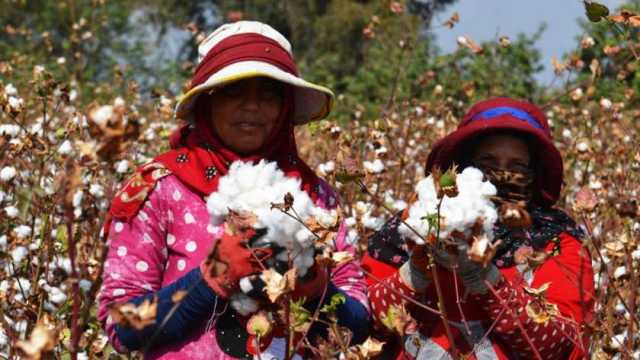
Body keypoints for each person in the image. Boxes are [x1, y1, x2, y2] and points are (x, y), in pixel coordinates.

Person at [97, 21, 369, 359]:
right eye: (233, 91)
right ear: (207, 104)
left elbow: (359, 325)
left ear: (284, 107)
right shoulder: (160, 189)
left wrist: (316, 290)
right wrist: (211, 279)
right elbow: (120, 325)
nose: (251, 106)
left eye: (268, 94)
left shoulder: (316, 197)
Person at [363, 97, 594, 359]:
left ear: (534, 174)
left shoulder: (555, 241)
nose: (501, 175)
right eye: (488, 162)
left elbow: (562, 346)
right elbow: (363, 326)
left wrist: (488, 282)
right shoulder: (413, 225)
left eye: (517, 166)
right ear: (463, 167)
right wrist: (415, 271)